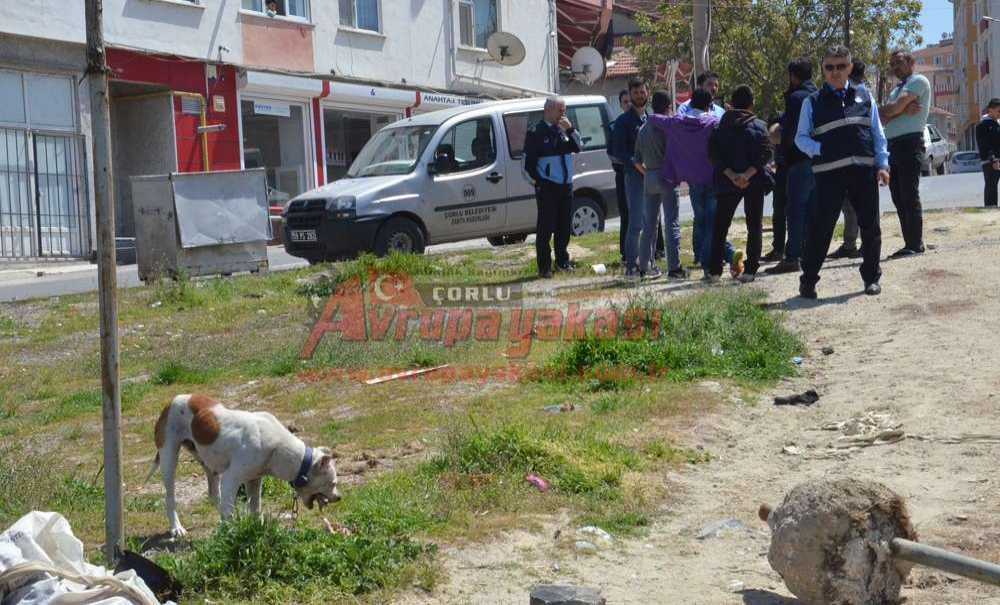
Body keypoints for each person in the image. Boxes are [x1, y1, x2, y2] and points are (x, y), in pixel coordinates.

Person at [795, 45, 889, 298]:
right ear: (823, 70)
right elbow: (800, 139)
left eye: (840, 67)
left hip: (863, 173)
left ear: (849, 67)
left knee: (870, 227)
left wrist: (882, 164)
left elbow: (877, 135)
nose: (835, 72)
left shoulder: (865, 97)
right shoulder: (812, 102)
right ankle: (808, 281)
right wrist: (822, 149)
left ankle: (871, 278)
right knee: (820, 229)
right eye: (829, 67)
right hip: (828, 176)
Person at [650, 89, 740, 277]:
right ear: (709, 105)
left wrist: (647, 117)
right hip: (714, 179)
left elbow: (656, 119)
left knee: (701, 221)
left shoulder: (677, 122)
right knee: (711, 224)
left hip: (693, 182)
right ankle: (710, 265)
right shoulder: (714, 123)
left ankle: (710, 259)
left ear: (690, 104)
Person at [707, 85, 773, 283]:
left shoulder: (719, 127)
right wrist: (746, 175)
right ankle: (750, 270)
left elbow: (713, 155)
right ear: (751, 104)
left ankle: (715, 272)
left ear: (732, 104)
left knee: (720, 227)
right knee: (754, 225)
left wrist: (733, 176)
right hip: (753, 182)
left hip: (727, 182)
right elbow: (766, 153)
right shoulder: (760, 126)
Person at [766, 57, 818, 275]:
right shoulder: (819, 94)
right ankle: (807, 252)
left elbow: (790, 133)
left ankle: (792, 257)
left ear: (793, 76)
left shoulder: (797, 97)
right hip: (817, 158)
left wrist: (782, 153)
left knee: (795, 210)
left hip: (798, 160)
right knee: (810, 210)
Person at [879, 49, 931, 258]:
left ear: (911, 62)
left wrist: (896, 110)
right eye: (892, 64)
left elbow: (893, 109)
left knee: (909, 194)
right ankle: (908, 243)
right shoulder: (895, 90)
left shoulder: (918, 81)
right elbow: (882, 116)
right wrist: (896, 109)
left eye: (898, 62)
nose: (894, 67)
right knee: (898, 196)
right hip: (892, 146)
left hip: (910, 144)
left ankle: (915, 244)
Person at [524, 97, 582, 279]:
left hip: (566, 186)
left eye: (564, 111)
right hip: (547, 187)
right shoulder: (536, 132)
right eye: (560, 111)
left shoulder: (563, 130)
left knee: (564, 227)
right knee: (545, 228)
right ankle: (544, 267)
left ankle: (562, 262)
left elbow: (578, 147)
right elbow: (527, 166)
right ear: (548, 110)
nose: (563, 114)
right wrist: (539, 184)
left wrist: (570, 129)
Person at [635, 90, 685, 280]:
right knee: (671, 222)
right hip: (666, 176)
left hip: (650, 176)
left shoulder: (643, 129)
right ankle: (674, 268)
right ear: (668, 106)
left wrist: (647, 173)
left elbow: (636, 160)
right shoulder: (667, 127)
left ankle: (644, 267)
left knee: (649, 224)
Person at [827, 59, 868, 259]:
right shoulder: (864, 94)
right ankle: (857, 244)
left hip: (849, 159)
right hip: (862, 159)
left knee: (851, 207)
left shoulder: (852, 94)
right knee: (858, 206)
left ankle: (852, 244)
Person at [611, 78, 651, 278]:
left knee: (651, 222)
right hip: (634, 178)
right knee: (635, 224)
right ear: (630, 95)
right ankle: (631, 268)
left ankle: (648, 264)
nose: (639, 96)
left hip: (653, 177)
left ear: (647, 92)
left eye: (642, 92)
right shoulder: (623, 122)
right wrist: (636, 164)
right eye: (635, 93)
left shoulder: (652, 119)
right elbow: (617, 151)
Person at [608, 90, 631, 262]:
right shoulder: (615, 126)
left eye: (630, 101)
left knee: (651, 214)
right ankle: (625, 251)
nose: (629, 104)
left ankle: (658, 248)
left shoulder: (645, 121)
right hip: (623, 175)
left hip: (643, 174)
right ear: (620, 104)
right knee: (626, 214)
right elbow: (612, 154)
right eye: (625, 102)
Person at [764, 116, 787, 262]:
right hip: (783, 172)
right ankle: (780, 249)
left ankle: (779, 249)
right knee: (781, 213)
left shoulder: (780, 129)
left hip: (784, 173)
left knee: (780, 213)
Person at [975, 99, 1000, 208]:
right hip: (990, 162)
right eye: (999, 111)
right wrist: (993, 159)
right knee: (991, 186)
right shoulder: (982, 125)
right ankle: (990, 209)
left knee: (993, 186)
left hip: (998, 160)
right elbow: (984, 145)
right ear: (990, 110)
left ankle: (994, 209)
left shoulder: (996, 124)